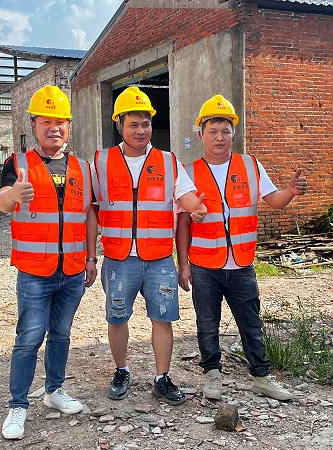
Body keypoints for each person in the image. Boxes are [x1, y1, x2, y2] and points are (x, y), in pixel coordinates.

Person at [175, 94, 308, 401]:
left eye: (225, 131)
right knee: (207, 324)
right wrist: (183, 264)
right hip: (204, 265)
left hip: (242, 264)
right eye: (212, 131)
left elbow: (273, 200)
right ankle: (213, 374)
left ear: (233, 133)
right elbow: (182, 223)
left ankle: (261, 376)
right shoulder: (188, 172)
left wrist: (290, 191)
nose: (219, 137)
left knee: (251, 323)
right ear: (201, 134)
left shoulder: (250, 165)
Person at [92, 86, 207, 406]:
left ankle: (162, 378)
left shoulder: (168, 162)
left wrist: (196, 208)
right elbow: (89, 205)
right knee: (117, 317)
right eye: (133, 124)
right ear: (119, 125)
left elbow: (186, 196)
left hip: (159, 259)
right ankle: (121, 371)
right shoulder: (101, 161)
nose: (141, 130)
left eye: (146, 124)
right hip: (119, 258)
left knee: (162, 318)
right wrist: (88, 256)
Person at [0, 85, 98, 440]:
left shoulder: (83, 168)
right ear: (34, 125)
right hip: (35, 272)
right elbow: (2, 202)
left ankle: (54, 391)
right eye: (46, 122)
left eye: (60, 122)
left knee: (62, 334)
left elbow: (88, 216)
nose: (54, 128)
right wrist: (13, 194)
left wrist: (91, 258)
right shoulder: (18, 164)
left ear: (68, 126)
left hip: (72, 270)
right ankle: (18, 406)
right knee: (29, 338)